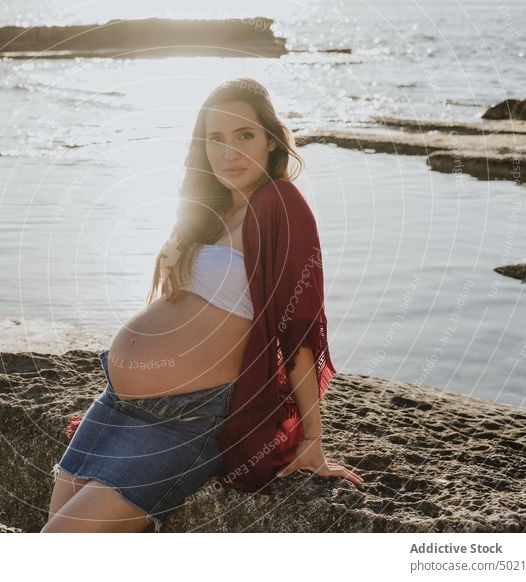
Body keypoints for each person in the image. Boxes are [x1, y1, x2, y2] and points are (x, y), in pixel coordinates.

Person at [41, 77, 363, 534]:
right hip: (116, 406)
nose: (228, 152)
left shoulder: (280, 205)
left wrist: (313, 438)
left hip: (186, 420)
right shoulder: (208, 210)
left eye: (244, 136)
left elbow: (300, 328)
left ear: (272, 142)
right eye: (215, 138)